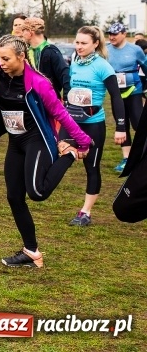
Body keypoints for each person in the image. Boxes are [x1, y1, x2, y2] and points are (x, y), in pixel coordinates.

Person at [0, 35, 92, 268]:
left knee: (37, 192)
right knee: (14, 197)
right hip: (15, 141)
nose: (0, 63)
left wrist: (82, 141)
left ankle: (69, 155)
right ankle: (31, 252)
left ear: (21, 56)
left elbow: (60, 113)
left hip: (37, 140)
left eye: (6, 59)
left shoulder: (38, 82)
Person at [61, 26, 126, 226]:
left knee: (92, 167)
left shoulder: (103, 66)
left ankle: (85, 212)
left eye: (84, 43)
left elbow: (116, 97)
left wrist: (121, 127)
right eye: (77, 42)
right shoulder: (75, 62)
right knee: (60, 154)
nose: (79, 46)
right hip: (71, 123)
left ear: (95, 44)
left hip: (93, 124)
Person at [106, 22, 147, 172]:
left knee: (138, 123)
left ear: (124, 34)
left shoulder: (135, 50)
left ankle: (143, 154)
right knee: (121, 125)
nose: (112, 37)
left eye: (115, 34)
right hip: (116, 93)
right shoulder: (106, 49)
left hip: (134, 90)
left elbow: (145, 67)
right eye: (110, 34)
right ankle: (126, 158)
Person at [20, 17, 71, 101]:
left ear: (30, 32)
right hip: (33, 100)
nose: (22, 34)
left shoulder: (51, 51)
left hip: (50, 101)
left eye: (23, 30)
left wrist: (67, 99)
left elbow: (64, 73)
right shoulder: (28, 51)